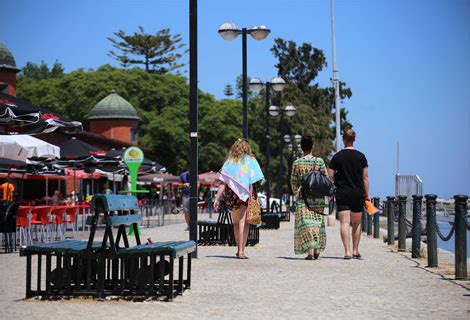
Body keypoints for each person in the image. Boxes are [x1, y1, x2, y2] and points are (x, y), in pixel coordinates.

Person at [214, 139, 264, 259]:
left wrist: (217, 198)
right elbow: (253, 180)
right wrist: (252, 197)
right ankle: (241, 251)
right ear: (247, 148)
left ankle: (238, 248)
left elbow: (223, 182)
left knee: (236, 222)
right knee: (244, 222)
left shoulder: (229, 161)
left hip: (231, 194)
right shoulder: (251, 160)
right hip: (246, 193)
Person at [327, 129, 369, 260]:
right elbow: (365, 178)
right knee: (356, 223)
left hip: (342, 193)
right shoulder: (361, 157)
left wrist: (331, 190)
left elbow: (330, 176)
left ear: (343, 140)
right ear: (354, 140)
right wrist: (367, 195)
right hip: (358, 193)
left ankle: (347, 252)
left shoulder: (337, 157)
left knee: (344, 222)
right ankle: (356, 250)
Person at [290, 135, 328, 260]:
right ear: (312, 146)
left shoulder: (297, 163)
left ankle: (310, 252)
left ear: (301, 147)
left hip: (303, 198)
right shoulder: (319, 161)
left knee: (306, 224)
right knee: (317, 223)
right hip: (318, 198)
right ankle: (316, 250)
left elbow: (293, 181)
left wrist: (297, 192)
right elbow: (326, 179)